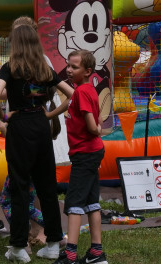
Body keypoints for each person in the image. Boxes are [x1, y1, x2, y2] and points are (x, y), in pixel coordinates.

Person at [0, 22, 74, 263]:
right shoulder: (44, 68)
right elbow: (72, 94)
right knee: (47, 187)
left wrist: (4, 117)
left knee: (19, 187)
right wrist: (49, 115)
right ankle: (52, 244)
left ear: (15, 44)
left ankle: (18, 247)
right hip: (40, 127)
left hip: (19, 129)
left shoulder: (9, 68)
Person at [60, 50, 106, 264]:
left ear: (87, 71)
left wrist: (96, 129)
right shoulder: (85, 90)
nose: (69, 70)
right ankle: (96, 252)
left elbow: (90, 124)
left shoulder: (81, 92)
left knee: (74, 203)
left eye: (74, 67)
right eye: (68, 65)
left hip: (85, 153)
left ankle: (70, 255)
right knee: (91, 201)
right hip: (91, 152)